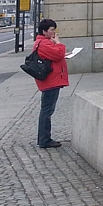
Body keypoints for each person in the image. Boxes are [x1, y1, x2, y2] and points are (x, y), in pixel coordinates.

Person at [32, 19, 69, 149]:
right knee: (47, 111)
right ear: (44, 31)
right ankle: (44, 139)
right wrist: (58, 43)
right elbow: (58, 54)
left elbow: (55, 56)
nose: (54, 32)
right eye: (52, 30)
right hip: (50, 81)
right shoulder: (44, 43)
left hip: (50, 80)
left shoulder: (44, 42)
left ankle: (44, 138)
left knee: (47, 110)